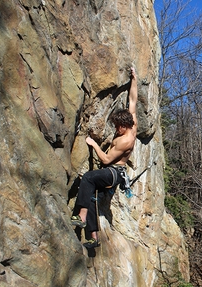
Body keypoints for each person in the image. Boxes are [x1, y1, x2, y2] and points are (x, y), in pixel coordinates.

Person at [71, 67, 138, 248]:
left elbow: (107, 160)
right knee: (91, 194)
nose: (116, 129)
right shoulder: (132, 121)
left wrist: (93, 144)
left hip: (114, 173)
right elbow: (133, 99)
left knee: (88, 178)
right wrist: (134, 78)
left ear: (125, 125)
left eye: (118, 126)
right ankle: (93, 238)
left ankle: (81, 216)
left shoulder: (126, 140)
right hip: (112, 171)